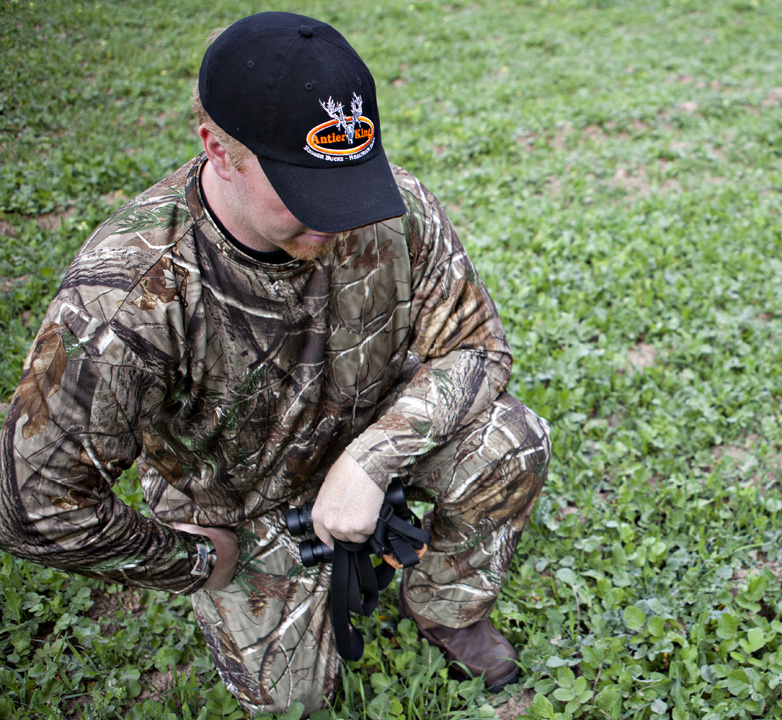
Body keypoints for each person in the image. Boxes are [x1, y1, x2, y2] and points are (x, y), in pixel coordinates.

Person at [0, 11, 549, 715]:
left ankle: (447, 605)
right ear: (217, 148)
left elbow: (476, 343)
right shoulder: (126, 296)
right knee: (295, 698)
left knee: (511, 439)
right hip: (245, 506)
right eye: (302, 186)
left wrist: (370, 460)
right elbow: (32, 507)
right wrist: (197, 560)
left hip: (362, 433)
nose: (338, 215)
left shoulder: (393, 207)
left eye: (349, 176)